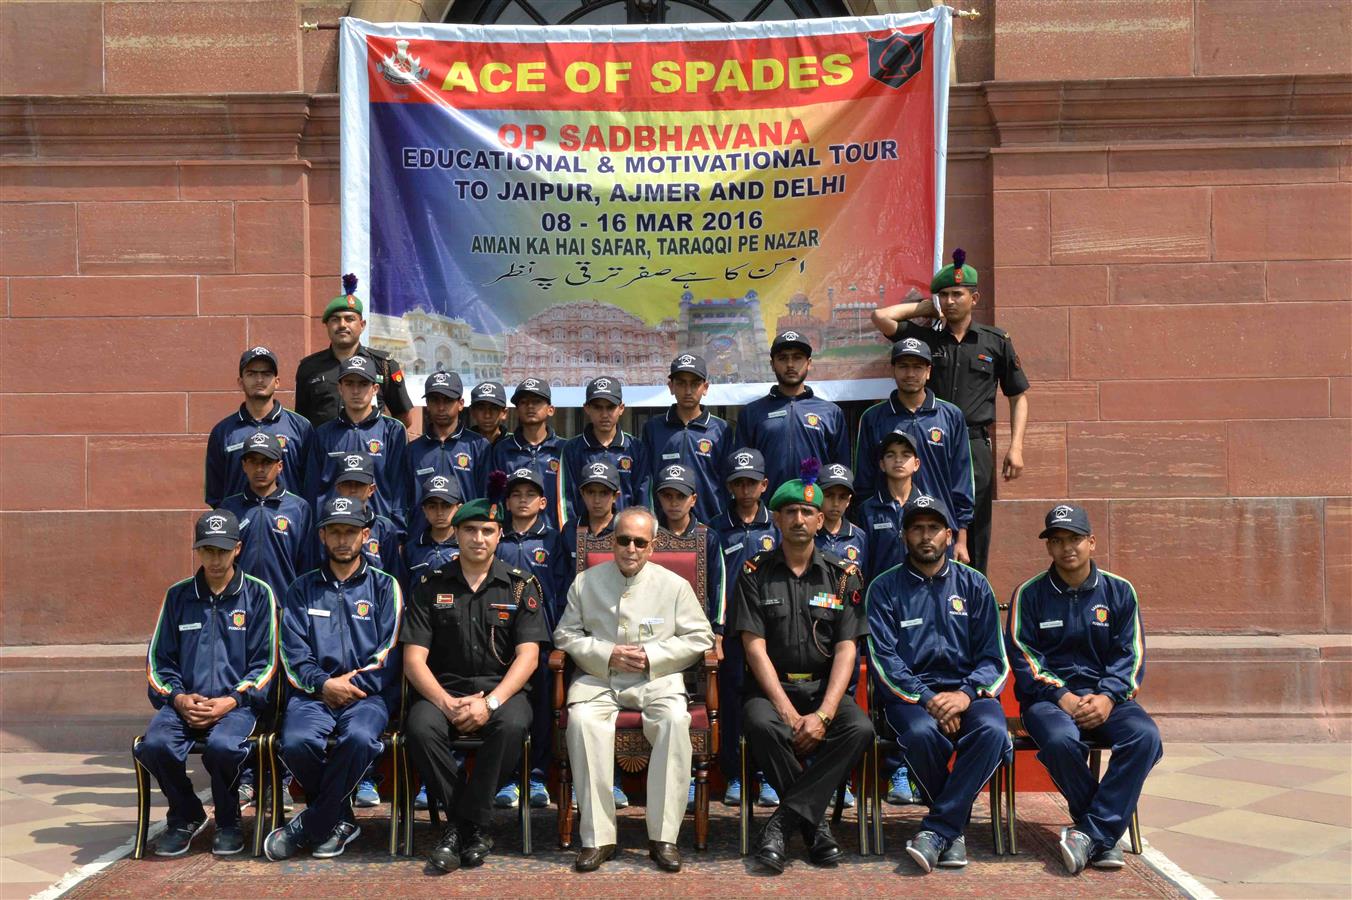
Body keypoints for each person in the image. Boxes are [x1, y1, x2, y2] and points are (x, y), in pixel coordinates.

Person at [554, 507, 715, 873]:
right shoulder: (585, 583)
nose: (631, 549)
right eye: (623, 540)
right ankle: (598, 838)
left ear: (653, 545)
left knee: (674, 720)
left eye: (640, 543)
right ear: (612, 541)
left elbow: (701, 637)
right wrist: (605, 654)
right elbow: (565, 635)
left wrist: (652, 656)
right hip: (600, 680)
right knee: (582, 722)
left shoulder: (674, 586)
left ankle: (664, 838)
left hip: (656, 680)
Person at [1006, 504, 1161, 874]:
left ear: (1091, 542)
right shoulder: (1029, 594)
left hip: (1108, 698)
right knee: (1060, 740)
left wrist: (1107, 696)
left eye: (1074, 538)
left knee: (1145, 737)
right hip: (1048, 701)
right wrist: (1062, 695)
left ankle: (1091, 833)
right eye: (1057, 540)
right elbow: (1024, 656)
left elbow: (1131, 654)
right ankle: (1103, 835)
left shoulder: (1119, 591)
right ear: (1048, 547)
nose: (1067, 547)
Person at [734, 465, 873, 873]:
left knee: (859, 728)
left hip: (823, 690)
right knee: (760, 723)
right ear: (776, 519)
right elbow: (754, 648)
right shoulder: (754, 573)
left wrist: (824, 714)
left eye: (807, 512)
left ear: (820, 520)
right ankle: (815, 829)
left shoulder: (843, 577)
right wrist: (790, 714)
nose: (799, 519)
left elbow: (847, 649)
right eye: (790, 512)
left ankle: (782, 823)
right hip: (771, 690)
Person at [402, 496, 549, 873]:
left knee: (513, 725)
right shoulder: (430, 586)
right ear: (455, 533)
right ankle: (473, 827)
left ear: (500, 535)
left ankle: (458, 827)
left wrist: (491, 703)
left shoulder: (520, 587)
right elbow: (413, 659)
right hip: (443, 692)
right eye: (469, 530)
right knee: (420, 728)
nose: (478, 538)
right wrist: (446, 703)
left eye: (487, 530)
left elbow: (529, 656)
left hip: (502, 692)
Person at [865, 494, 1010, 874]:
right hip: (911, 698)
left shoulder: (974, 584)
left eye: (934, 528)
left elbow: (994, 658)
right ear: (904, 536)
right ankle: (952, 828)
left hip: (969, 692)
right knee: (921, 734)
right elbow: (884, 660)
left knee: (993, 731)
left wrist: (964, 695)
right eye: (917, 529)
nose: (926, 536)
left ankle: (940, 829)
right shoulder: (884, 588)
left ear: (949, 534)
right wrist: (929, 698)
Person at [871, 250, 1030, 574]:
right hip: (928, 441)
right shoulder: (926, 339)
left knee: (974, 526)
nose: (950, 301)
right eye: (943, 295)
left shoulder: (995, 341)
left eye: (957, 294)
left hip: (972, 444)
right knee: (923, 518)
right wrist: (924, 308)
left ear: (974, 298)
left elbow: (1018, 396)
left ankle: (971, 592)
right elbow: (881, 317)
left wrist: (1016, 447)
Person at [265, 497, 403, 861]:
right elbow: (293, 653)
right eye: (335, 532)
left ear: (366, 535)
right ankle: (340, 819)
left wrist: (352, 686)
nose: (343, 540)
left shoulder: (385, 586)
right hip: (313, 695)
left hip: (368, 697)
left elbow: (389, 654)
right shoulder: (301, 589)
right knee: (296, 742)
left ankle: (313, 822)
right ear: (323, 536)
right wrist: (323, 684)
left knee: (358, 739)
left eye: (351, 532)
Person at [136, 510, 277, 857]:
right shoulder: (178, 596)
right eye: (208, 550)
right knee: (154, 745)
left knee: (224, 748)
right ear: (198, 550)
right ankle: (186, 814)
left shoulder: (259, 595)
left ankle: (228, 822)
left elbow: (267, 663)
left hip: (236, 706)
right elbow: (158, 662)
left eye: (223, 550)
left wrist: (232, 700)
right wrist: (178, 698)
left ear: (237, 549)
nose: (215, 559)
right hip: (185, 704)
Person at [854, 338, 974, 564]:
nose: (910, 373)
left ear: (928, 371)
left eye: (917, 367)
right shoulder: (873, 418)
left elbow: (962, 481)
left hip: (937, 531)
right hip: (886, 532)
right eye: (903, 366)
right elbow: (863, 483)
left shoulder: (950, 416)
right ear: (893, 370)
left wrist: (961, 539)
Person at [493, 466, 570, 809]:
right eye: (516, 495)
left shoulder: (553, 539)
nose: (522, 501)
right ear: (507, 502)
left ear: (543, 502)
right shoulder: (496, 537)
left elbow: (564, 590)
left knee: (542, 709)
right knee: (505, 707)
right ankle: (509, 779)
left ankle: (537, 776)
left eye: (530, 495)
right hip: (500, 640)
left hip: (542, 640)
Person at [712, 448, 781, 809]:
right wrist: (716, 630)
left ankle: (768, 774)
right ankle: (736, 775)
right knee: (733, 704)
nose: (745, 490)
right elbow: (712, 583)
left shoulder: (777, 525)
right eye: (738, 483)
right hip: (733, 633)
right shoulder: (716, 527)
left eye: (751, 483)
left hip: (772, 631)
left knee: (770, 701)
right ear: (729, 486)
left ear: (764, 485)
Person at [303, 355, 410, 530]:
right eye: (349, 384)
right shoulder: (323, 433)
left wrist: (397, 532)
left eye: (363, 384)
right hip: (334, 531)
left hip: (378, 531)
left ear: (375, 388)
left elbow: (400, 489)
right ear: (340, 388)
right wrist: (315, 532)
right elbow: (312, 489)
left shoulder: (393, 431)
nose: (356, 391)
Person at [293, 275, 414, 429]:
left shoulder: (383, 365)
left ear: (362, 325)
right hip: (324, 444)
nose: (342, 325)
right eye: (335, 319)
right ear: (327, 326)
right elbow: (301, 422)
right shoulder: (309, 367)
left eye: (349, 319)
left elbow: (403, 419)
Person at [735, 331, 850, 492]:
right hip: (768, 505)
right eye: (783, 358)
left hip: (814, 503)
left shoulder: (831, 413)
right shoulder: (751, 413)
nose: (790, 364)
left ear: (809, 363)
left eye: (797, 357)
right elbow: (741, 470)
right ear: (772, 364)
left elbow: (841, 471)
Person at [205, 346, 312, 507]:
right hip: (237, 520)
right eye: (251, 374)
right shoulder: (223, 432)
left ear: (277, 382)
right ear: (240, 382)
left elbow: (311, 485)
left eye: (266, 374)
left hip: (289, 520)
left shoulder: (300, 427)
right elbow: (215, 493)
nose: (259, 379)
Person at [640, 354, 733, 526]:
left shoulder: (721, 429)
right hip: (664, 525)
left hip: (711, 523)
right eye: (681, 383)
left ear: (705, 387)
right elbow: (645, 480)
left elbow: (728, 481)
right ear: (671, 387)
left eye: (695, 384)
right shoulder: (653, 428)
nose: (688, 391)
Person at [218, 432, 312, 600]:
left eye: (267, 462)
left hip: (284, 603)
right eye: (253, 462)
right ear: (244, 465)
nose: (260, 469)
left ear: (280, 466)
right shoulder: (229, 508)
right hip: (238, 604)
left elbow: (307, 565)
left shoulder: (299, 508)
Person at [406, 370, 490, 537]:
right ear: (427, 404)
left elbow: (486, 498)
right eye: (435, 400)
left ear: (461, 403)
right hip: (421, 541)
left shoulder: (478, 445)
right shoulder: (413, 450)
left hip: (466, 540)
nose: (441, 407)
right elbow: (403, 500)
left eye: (448, 400)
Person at [652, 464, 726, 636]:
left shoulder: (707, 537)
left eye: (681, 496)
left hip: (695, 625)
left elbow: (718, 586)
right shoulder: (648, 534)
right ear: (659, 497)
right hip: (654, 623)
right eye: (667, 496)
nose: (674, 503)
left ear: (693, 499)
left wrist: (718, 632)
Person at [562, 376, 649, 515]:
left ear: (621, 408)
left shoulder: (635, 448)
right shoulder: (572, 449)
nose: (604, 414)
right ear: (587, 408)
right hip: (584, 528)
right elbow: (567, 499)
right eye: (597, 407)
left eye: (610, 407)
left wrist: (638, 526)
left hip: (626, 527)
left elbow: (643, 497)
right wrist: (573, 528)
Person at [490, 378, 569, 529]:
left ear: (551, 409)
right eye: (524, 402)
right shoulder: (502, 449)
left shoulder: (564, 449)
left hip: (556, 534)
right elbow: (496, 498)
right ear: (517, 410)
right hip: (512, 536)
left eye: (537, 401)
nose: (530, 406)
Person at [860, 430, 922, 584]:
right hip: (880, 592)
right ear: (882, 464)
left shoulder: (929, 509)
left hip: (920, 592)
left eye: (905, 455)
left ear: (916, 464)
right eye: (890, 455)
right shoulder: (867, 510)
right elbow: (863, 563)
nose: (898, 460)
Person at [403, 475, 463, 580]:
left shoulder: (466, 546)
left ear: (459, 508)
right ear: (424, 510)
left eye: (446, 506)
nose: (439, 513)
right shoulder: (411, 549)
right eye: (432, 507)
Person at [815, 463, 867, 574]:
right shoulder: (809, 533)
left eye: (842, 497)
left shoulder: (859, 537)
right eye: (829, 496)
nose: (836, 503)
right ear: (818, 496)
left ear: (849, 500)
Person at [467, 381, 510, 445]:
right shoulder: (461, 443)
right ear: (472, 412)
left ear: (504, 413)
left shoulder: (514, 443)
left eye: (494, 408)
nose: (487, 415)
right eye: (481, 408)